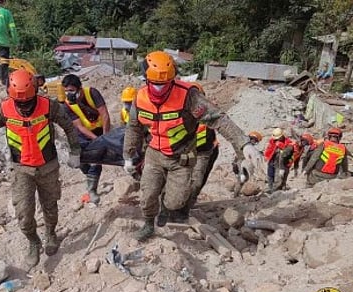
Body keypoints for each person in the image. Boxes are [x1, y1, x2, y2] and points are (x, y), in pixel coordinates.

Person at [0, 70, 81, 267]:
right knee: (23, 214)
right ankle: (33, 241)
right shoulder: (3, 110)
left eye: (28, 102)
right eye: (20, 103)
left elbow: (69, 126)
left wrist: (75, 152)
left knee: (50, 206)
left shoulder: (49, 106)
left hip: (48, 166)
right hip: (22, 169)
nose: (25, 107)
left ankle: (51, 234)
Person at [123, 51, 253, 241]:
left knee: (176, 201)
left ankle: (167, 207)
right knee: (148, 194)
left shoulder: (188, 96)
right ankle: (148, 224)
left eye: (165, 84)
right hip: (154, 154)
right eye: (156, 84)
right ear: (146, 80)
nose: (160, 89)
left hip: (181, 157)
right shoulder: (140, 98)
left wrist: (244, 144)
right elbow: (133, 128)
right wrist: (128, 155)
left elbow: (218, 119)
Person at [61, 74, 111, 205]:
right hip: (83, 134)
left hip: (100, 130)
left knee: (96, 161)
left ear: (79, 89)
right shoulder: (66, 105)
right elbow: (80, 126)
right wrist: (96, 140)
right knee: (81, 161)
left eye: (71, 90)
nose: (68, 94)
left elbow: (105, 114)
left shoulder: (92, 93)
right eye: (66, 91)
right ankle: (87, 173)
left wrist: (105, 137)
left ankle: (92, 190)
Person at [263, 128, 295, 192]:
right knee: (270, 175)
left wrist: (281, 146)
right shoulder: (272, 141)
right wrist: (267, 156)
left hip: (282, 163)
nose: (276, 139)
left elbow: (287, 153)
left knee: (279, 177)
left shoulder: (288, 143)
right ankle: (270, 188)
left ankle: (276, 190)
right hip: (272, 161)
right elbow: (269, 149)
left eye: (277, 138)